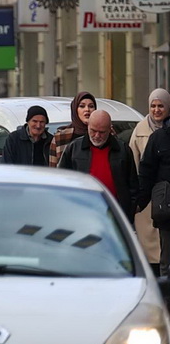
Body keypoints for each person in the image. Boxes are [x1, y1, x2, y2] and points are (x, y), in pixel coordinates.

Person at [58, 110, 137, 220]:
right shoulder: (74, 148)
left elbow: (133, 186)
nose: (97, 135)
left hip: (115, 215)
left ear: (110, 129)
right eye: (93, 131)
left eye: (102, 132)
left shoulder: (122, 150)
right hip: (81, 213)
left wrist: (128, 212)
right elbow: (61, 182)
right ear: (88, 126)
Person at [130, 89, 170, 274]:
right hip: (151, 202)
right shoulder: (141, 131)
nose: (156, 110)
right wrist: (139, 199)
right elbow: (139, 167)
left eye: (161, 106)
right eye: (153, 106)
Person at [49, 91, 96, 167]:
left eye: (91, 106)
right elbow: (53, 170)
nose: (87, 109)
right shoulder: (60, 137)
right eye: (82, 106)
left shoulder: (102, 134)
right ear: (75, 109)